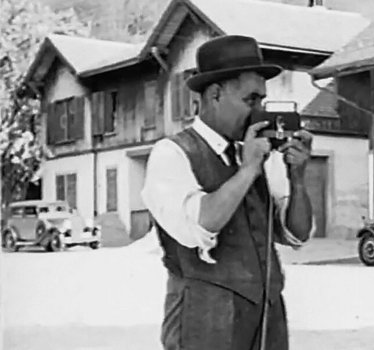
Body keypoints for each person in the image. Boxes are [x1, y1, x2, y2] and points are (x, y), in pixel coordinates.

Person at [141, 35, 315, 350]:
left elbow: (296, 236)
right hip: (205, 321)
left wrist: (298, 178)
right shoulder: (171, 153)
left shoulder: (253, 152)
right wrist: (247, 170)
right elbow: (200, 226)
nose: (259, 112)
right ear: (216, 94)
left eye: (262, 100)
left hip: (267, 320)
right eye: (251, 100)